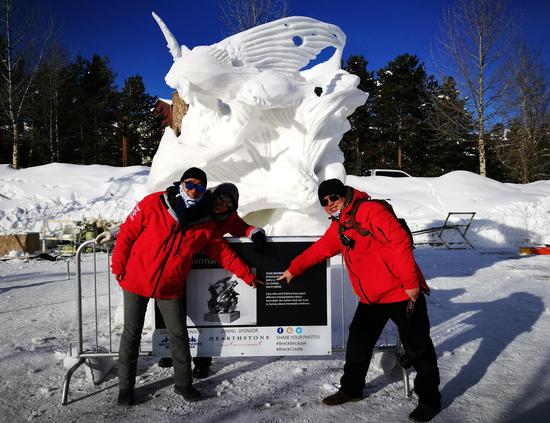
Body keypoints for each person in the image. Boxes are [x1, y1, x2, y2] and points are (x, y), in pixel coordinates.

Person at [277, 179, 441, 422]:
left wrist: (410, 283)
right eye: (324, 202)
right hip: (371, 299)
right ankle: (351, 389)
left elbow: (399, 241)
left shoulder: (370, 210)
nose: (330, 204)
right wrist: (293, 269)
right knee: (357, 345)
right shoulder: (341, 226)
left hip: (401, 292)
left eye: (334, 198)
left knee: (418, 347)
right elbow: (320, 249)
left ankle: (429, 400)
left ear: (344, 195)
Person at [111, 167, 262, 406]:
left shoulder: (204, 223)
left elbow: (223, 253)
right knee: (131, 334)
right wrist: (118, 266)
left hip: (170, 286)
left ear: (204, 191)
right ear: (180, 184)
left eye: (199, 187)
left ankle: (183, 384)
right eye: (189, 185)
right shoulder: (155, 203)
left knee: (179, 335)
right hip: (137, 279)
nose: (193, 190)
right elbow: (127, 234)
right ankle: (125, 388)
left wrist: (247, 275)